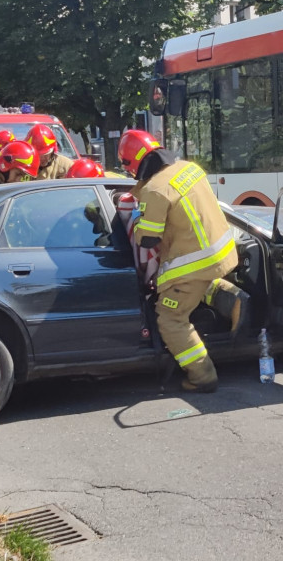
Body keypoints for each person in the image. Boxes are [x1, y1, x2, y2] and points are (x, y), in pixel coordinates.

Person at [118, 129, 238, 393]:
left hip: (191, 265)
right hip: (220, 253)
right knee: (202, 284)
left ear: (134, 163)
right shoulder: (189, 169)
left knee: (171, 318)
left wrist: (135, 218)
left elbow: (147, 240)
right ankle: (230, 294)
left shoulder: (155, 190)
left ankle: (202, 376)